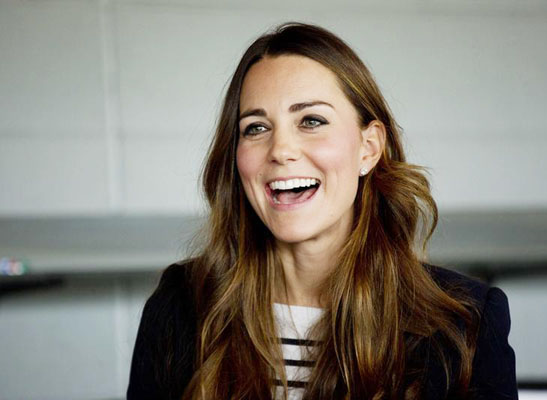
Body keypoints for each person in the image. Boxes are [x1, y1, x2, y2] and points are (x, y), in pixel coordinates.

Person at [127, 22, 517, 400]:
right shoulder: (180, 307)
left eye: (311, 121)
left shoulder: (465, 322)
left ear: (368, 148)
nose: (281, 150)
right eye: (256, 127)